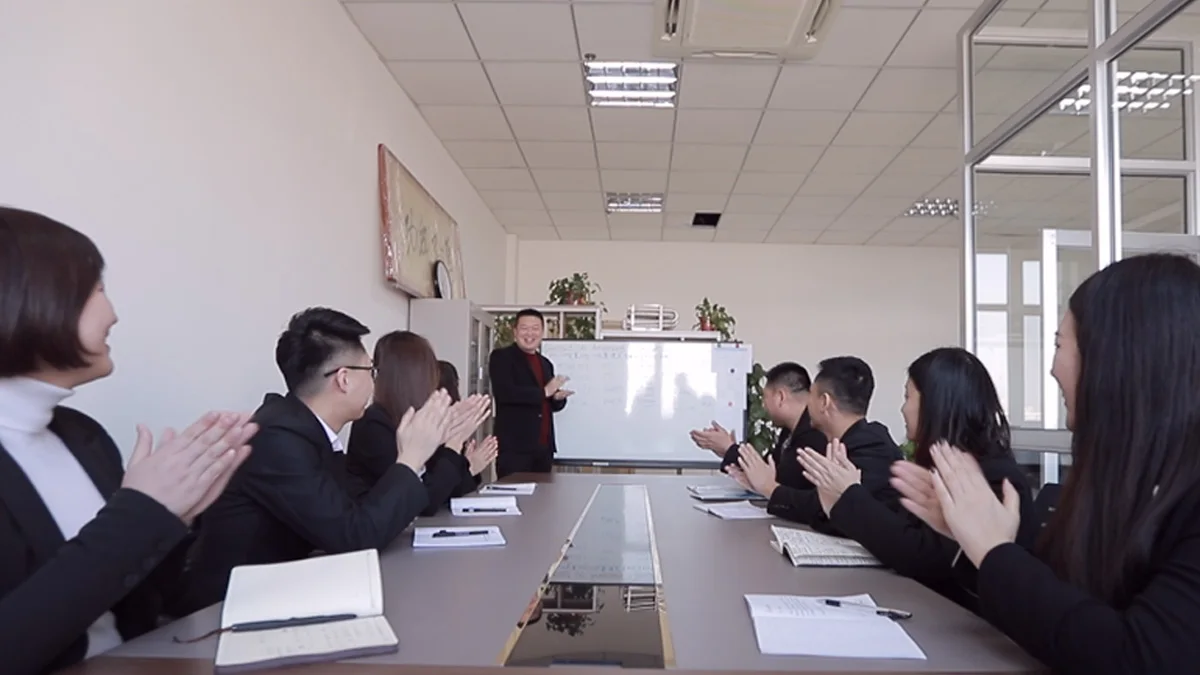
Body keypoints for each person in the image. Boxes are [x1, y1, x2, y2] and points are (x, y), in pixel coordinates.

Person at [895, 253, 1200, 674]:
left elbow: (1138, 657)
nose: (1053, 369)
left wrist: (994, 550)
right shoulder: (1121, 482)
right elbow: (1063, 608)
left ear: (1120, 357)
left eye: (1059, 345)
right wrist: (976, 539)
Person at [0, 207, 257, 675]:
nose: (114, 314)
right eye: (96, 289)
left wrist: (176, 517)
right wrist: (142, 513)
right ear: (28, 295)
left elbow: (145, 605)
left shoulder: (82, 436)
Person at [180, 309, 451, 614]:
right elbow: (355, 537)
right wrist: (410, 459)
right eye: (371, 370)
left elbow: (356, 510)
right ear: (344, 379)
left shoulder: (304, 430)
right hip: (226, 611)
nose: (374, 382)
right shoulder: (278, 439)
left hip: (279, 592)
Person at [797, 347, 1035, 610]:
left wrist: (850, 495)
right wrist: (843, 497)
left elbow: (922, 558)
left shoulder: (992, 479)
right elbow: (903, 528)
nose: (902, 408)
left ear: (934, 404)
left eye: (907, 396)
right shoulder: (947, 466)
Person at [729, 356, 902, 532]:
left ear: (824, 402)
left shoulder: (872, 446)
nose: (806, 403)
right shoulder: (847, 440)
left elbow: (824, 507)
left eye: (811, 394)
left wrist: (769, 487)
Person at [345, 333, 495, 515]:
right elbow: (424, 502)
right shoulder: (374, 425)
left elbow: (450, 490)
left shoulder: (422, 419)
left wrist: (469, 466)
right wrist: (454, 443)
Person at [688, 362, 826, 499]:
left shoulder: (814, 434)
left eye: (764, 398)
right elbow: (766, 469)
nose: (763, 406)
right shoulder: (789, 431)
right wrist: (728, 450)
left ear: (780, 397)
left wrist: (729, 448)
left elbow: (780, 480)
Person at [489, 309, 572, 478]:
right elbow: (505, 393)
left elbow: (547, 403)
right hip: (515, 449)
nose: (530, 334)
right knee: (513, 493)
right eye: (524, 328)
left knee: (543, 494)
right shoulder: (501, 357)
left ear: (542, 332)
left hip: (543, 449)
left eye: (535, 329)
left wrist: (557, 398)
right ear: (515, 332)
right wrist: (545, 392)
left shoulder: (545, 363)